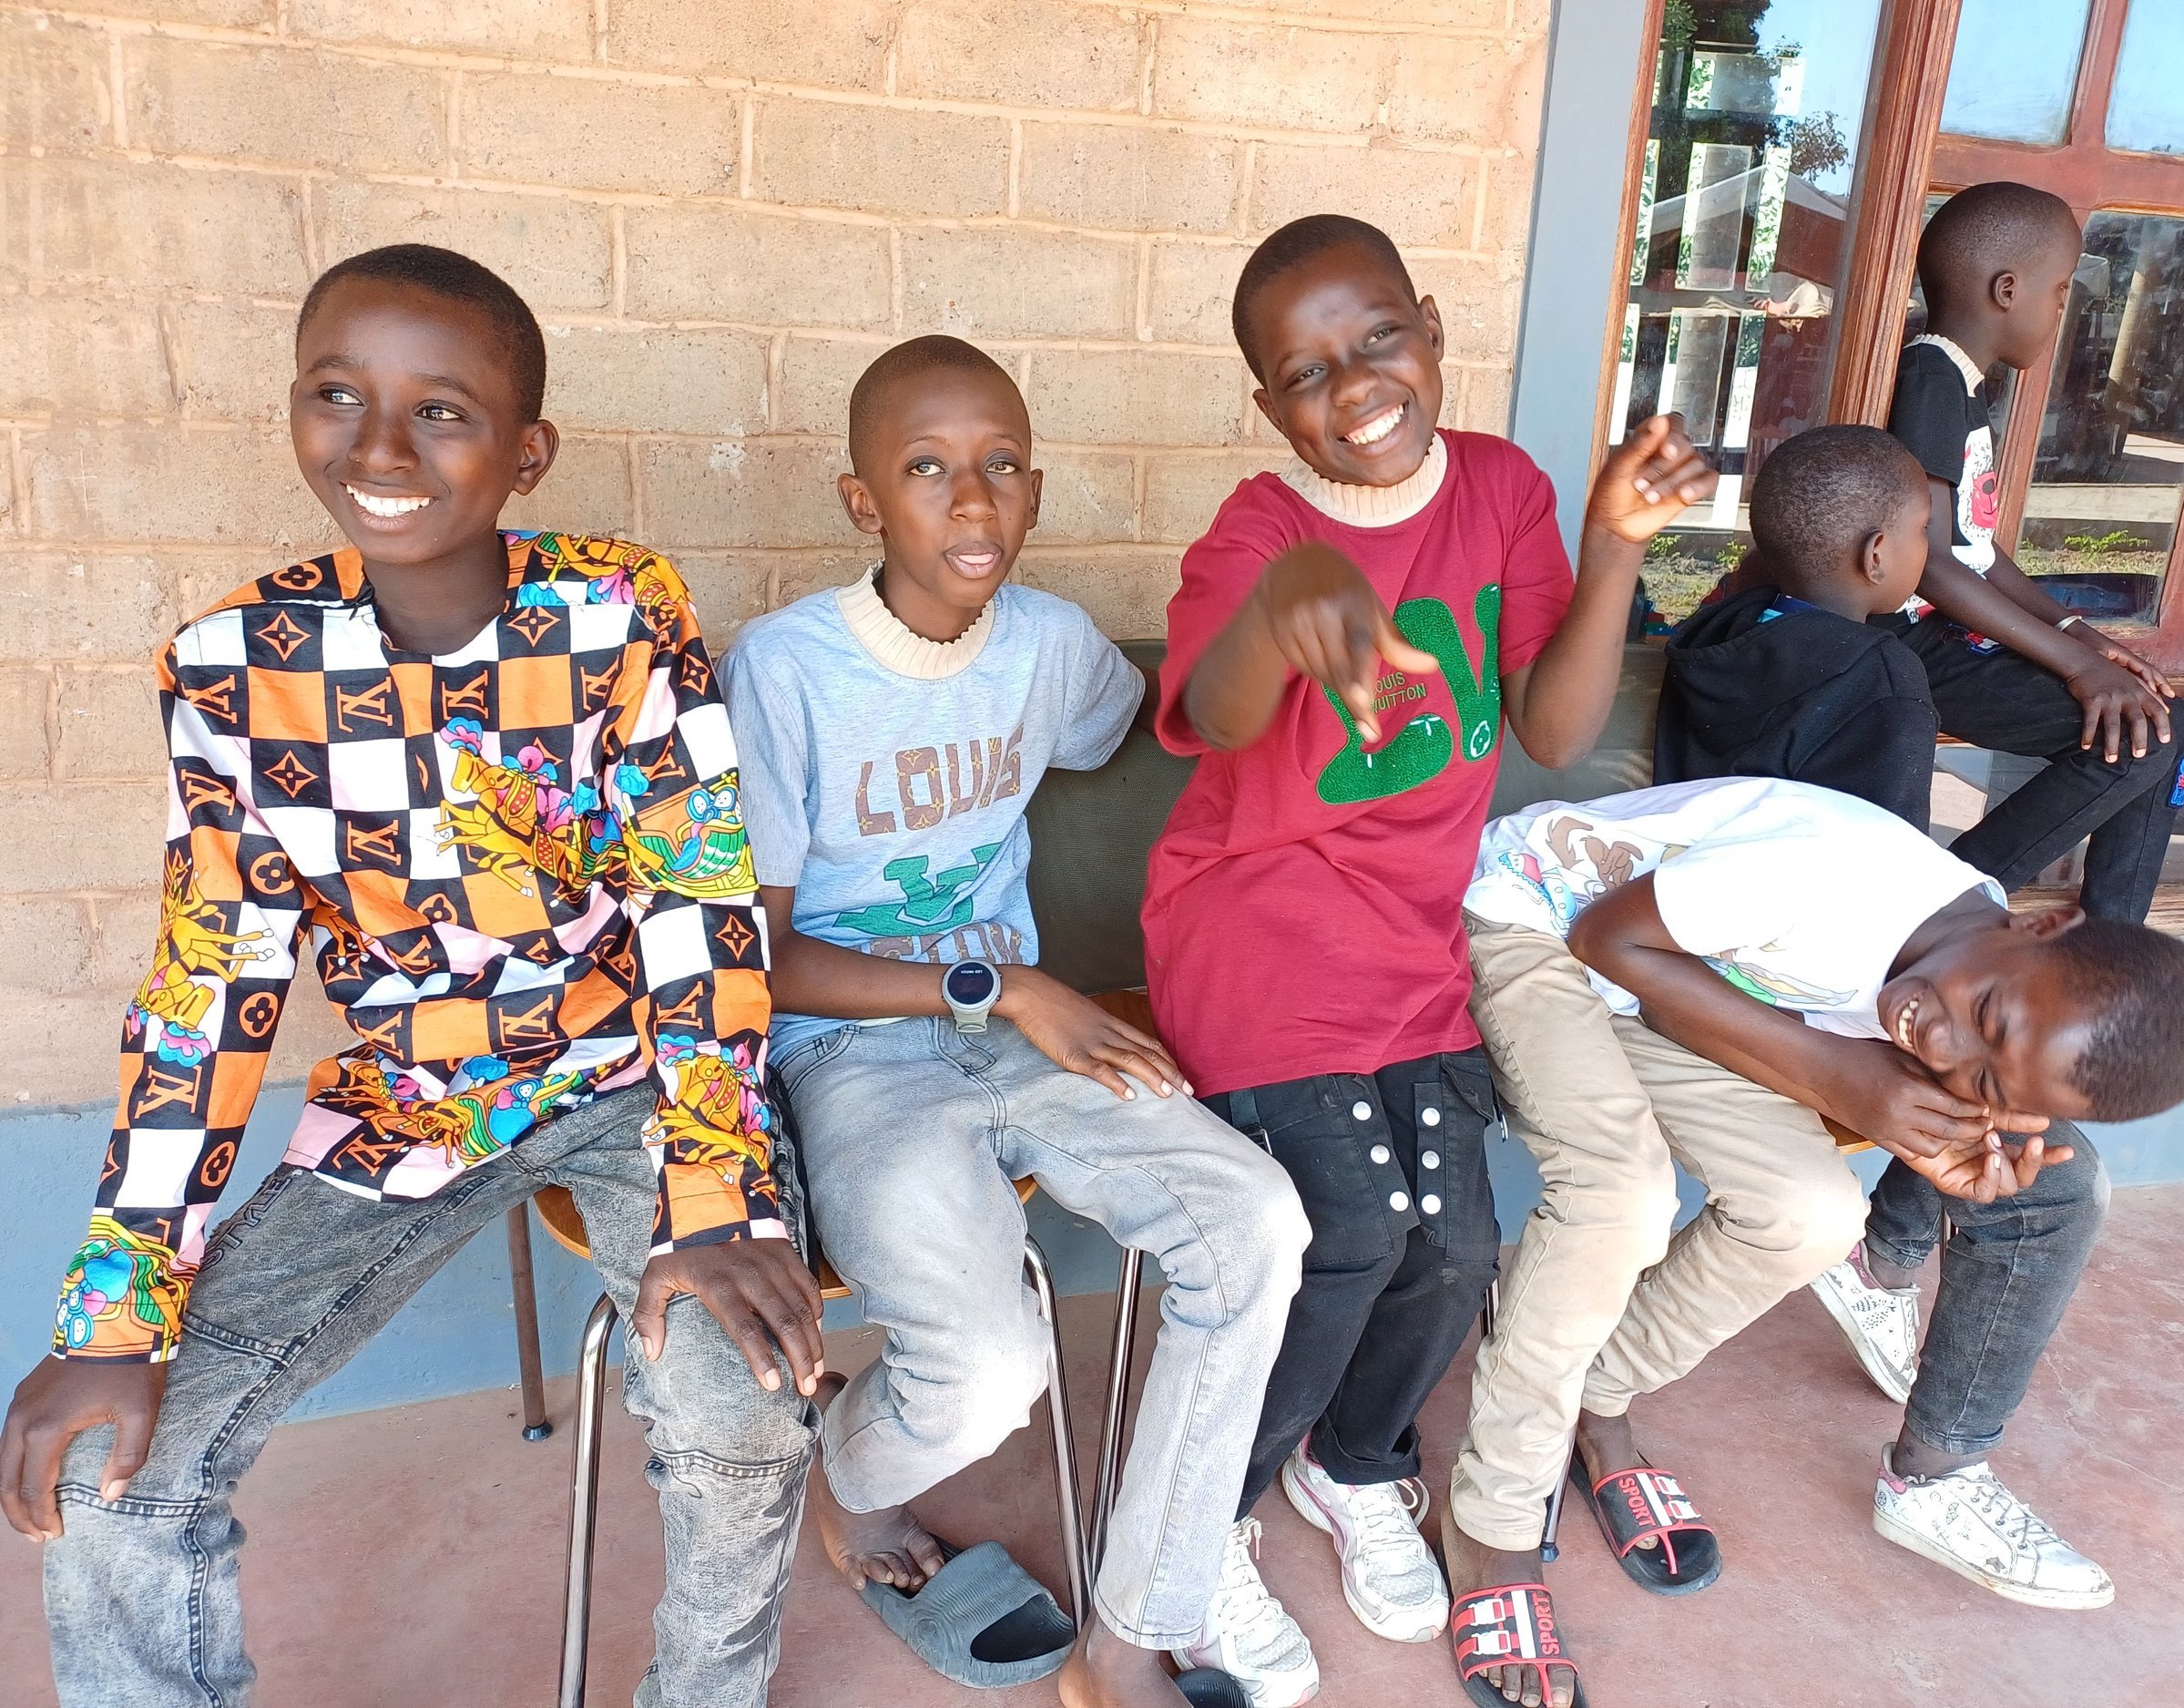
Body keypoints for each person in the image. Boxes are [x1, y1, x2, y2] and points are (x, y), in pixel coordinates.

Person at [0, 245, 822, 1708]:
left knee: (744, 1402)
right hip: (412, 1100)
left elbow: (697, 907)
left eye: (440, 410)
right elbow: (212, 980)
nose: (379, 448)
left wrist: (717, 1192)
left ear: (526, 453)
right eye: (337, 395)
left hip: (638, 1080)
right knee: (116, 1459)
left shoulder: (617, 613)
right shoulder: (233, 670)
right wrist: (113, 1312)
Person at [1140, 213, 1714, 1708]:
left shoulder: (1506, 489)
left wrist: (1613, 548)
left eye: (1378, 338)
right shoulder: (1259, 532)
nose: (1354, 385)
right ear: (1271, 407)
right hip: (1255, 932)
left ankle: (1352, 1461)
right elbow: (1212, 706)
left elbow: (1552, 732)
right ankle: (1204, 1518)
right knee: (1350, 1233)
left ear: (1433, 328)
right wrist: (1284, 612)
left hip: (1409, 935)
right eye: (1306, 372)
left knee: (1453, 1243)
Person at [719, 335, 1308, 1708]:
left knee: (1256, 1226)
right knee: (985, 1374)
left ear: (1035, 492)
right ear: (864, 501)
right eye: (926, 469)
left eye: (999, 466)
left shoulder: (1050, 644)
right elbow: (762, 959)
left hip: (1027, 1037)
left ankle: (1130, 1637)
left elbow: (1141, 725)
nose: (970, 499)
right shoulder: (787, 669)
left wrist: (1283, 651)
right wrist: (1003, 986)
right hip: (855, 1052)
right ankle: (847, 1473)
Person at [1444, 777, 2184, 1707]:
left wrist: (1927, 1133)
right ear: (2041, 924)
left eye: (1985, 1082)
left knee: (1813, 1214)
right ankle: (1492, 1519)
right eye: (1986, 1019)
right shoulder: (1831, 876)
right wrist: (1836, 1074)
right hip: (1537, 922)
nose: (1942, 1049)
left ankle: (1593, 1396)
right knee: (1621, 1196)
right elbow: (1605, 938)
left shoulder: (1971, 981)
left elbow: (1708, 1005)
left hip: (1653, 991)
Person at [1811, 180, 2184, 1406]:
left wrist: (2083, 634)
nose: (2070, 309)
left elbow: (1988, 555)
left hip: (1955, 633)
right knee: (2146, 734)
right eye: (2067, 287)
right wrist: (2077, 669)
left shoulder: (1974, 393)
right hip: (1911, 648)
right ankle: (2007, 912)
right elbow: (1929, 566)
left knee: (2154, 721)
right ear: (2006, 288)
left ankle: (2091, 950)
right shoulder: (1932, 375)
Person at [1653, 424, 1938, 828]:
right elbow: (1894, 847)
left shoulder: (1717, 638)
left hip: (1685, 863)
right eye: (1923, 527)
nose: (1928, 544)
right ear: (1875, 555)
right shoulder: (1883, 676)